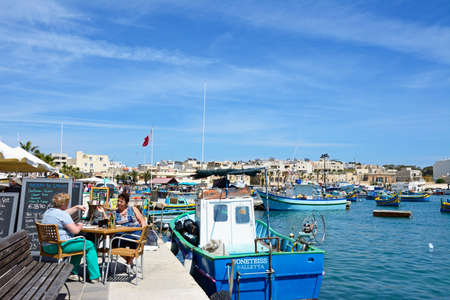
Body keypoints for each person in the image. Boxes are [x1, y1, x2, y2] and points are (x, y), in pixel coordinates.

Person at [41, 193, 101, 283]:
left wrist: (76, 207)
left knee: (79, 243)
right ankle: (94, 276)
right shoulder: (63, 215)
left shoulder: (48, 212)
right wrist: (80, 225)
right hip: (60, 246)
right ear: (63, 204)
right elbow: (75, 231)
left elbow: (64, 213)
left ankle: (73, 272)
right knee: (89, 245)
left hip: (47, 247)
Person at [98, 193, 145, 265]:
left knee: (135, 245)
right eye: (118, 201)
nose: (119, 203)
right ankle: (129, 262)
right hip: (121, 236)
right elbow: (109, 222)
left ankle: (129, 262)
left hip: (134, 234)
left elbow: (141, 219)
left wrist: (144, 227)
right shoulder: (115, 212)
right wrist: (103, 212)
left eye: (121, 201)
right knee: (114, 246)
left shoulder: (133, 209)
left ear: (126, 203)